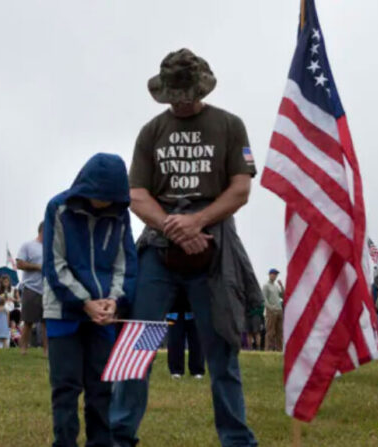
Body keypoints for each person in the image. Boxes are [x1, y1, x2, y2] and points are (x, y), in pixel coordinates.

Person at [109, 49, 262, 447]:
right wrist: (173, 226)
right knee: (138, 342)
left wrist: (198, 220)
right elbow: (137, 194)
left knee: (221, 349)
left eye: (188, 94)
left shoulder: (229, 126)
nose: (181, 102)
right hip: (159, 246)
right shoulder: (151, 132)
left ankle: (237, 439)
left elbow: (241, 188)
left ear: (202, 88)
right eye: (174, 95)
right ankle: (119, 434)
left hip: (214, 249)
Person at [42, 153, 137, 447]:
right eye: (98, 197)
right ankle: (65, 442)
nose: (102, 204)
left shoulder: (120, 215)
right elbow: (54, 265)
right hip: (63, 312)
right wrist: (84, 301)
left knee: (101, 387)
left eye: (109, 199)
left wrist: (114, 301)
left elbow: (125, 264)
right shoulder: (58, 208)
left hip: (104, 315)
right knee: (66, 387)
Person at [17, 222, 47, 355]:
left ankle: (47, 351)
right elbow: (19, 263)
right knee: (28, 321)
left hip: (48, 290)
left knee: (47, 322)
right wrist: (38, 267)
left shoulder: (51, 248)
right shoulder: (28, 245)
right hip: (31, 288)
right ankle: (23, 349)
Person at [167, 292, 204, 379]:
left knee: (196, 342)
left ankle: (197, 370)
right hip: (174, 309)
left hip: (195, 309)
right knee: (175, 341)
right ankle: (176, 370)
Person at [263, 268, 284, 352]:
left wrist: (281, 286)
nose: (275, 276)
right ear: (270, 274)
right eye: (273, 274)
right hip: (271, 311)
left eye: (276, 274)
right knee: (270, 332)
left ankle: (279, 350)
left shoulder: (276, 286)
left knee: (279, 332)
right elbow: (264, 299)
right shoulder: (266, 286)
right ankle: (268, 350)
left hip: (279, 310)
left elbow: (283, 295)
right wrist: (270, 308)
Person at [0, 275, 16, 349]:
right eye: (4, 282)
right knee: (4, 338)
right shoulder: (5, 308)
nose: (6, 283)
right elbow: (8, 316)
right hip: (4, 323)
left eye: (7, 281)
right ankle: (5, 348)